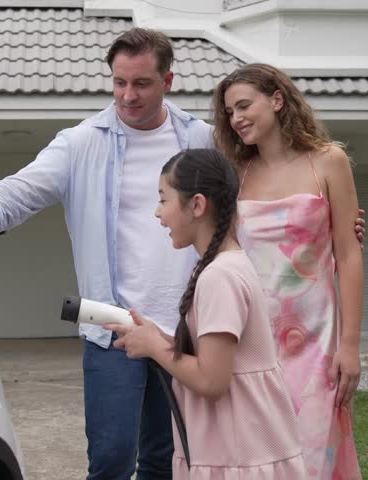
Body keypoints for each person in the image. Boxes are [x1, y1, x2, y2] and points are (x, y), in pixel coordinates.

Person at [0, 29, 365, 479]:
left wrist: (336, 223)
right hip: (113, 329)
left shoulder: (204, 140)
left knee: (170, 459)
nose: (127, 95)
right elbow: (15, 194)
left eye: (141, 83)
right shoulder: (82, 143)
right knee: (112, 460)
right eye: (119, 82)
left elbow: (263, 192)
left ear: (168, 82)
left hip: (186, 332)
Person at [106, 148, 306, 479]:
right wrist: (159, 338)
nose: (158, 214)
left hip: (237, 457)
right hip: (243, 450)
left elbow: (212, 379)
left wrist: (156, 348)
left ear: (197, 205)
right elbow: (218, 357)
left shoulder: (219, 277)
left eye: (163, 200)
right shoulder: (227, 266)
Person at [213, 64, 364, 479]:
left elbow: (349, 256)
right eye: (229, 112)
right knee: (259, 462)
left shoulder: (329, 162)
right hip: (253, 343)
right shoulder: (235, 174)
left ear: (277, 100)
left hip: (316, 347)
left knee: (313, 458)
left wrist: (349, 346)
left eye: (244, 105)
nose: (236, 117)